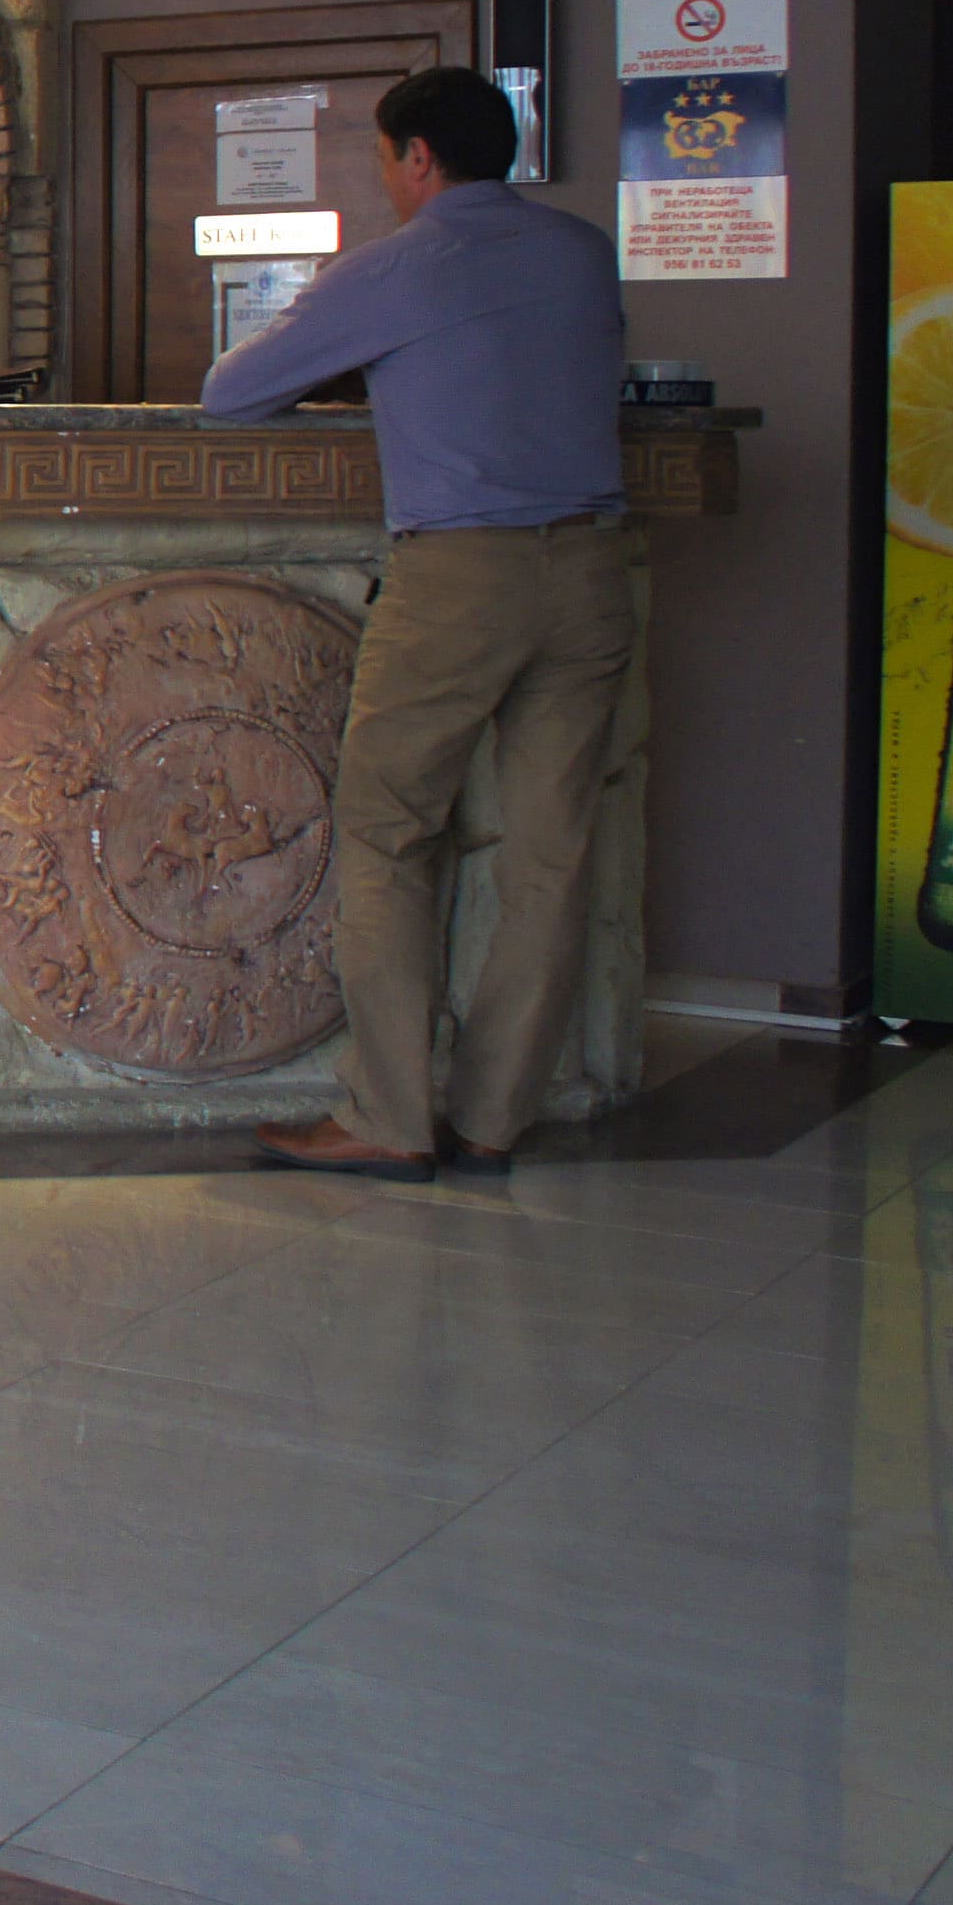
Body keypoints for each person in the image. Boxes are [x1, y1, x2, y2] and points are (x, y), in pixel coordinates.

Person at [205, 65, 628, 1184]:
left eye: (386, 158)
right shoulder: (582, 251)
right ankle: (491, 1117)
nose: (387, 177)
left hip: (459, 577)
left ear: (418, 158)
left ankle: (389, 1115)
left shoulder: (393, 268)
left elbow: (229, 394)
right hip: (591, 569)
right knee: (550, 850)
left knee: (388, 830)